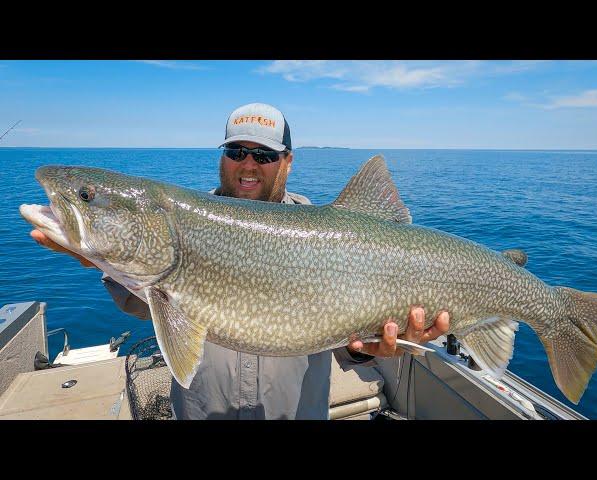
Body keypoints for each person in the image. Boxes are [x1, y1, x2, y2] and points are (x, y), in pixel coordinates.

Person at [30, 102, 449, 419]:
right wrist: (99, 261)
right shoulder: (182, 224)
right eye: (236, 151)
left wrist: (369, 349)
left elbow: (348, 348)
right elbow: (146, 305)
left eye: (264, 155)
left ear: (287, 161)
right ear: (222, 156)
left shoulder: (332, 236)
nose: (249, 165)